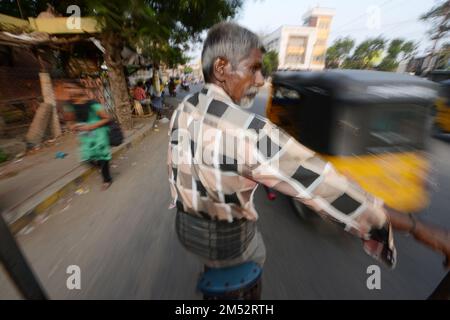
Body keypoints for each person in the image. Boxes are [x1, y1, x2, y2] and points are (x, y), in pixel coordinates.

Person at [167, 22, 450, 290]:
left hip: (184, 228)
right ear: (221, 68)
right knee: (257, 253)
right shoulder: (248, 131)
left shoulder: (185, 107)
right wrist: (418, 228)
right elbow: (331, 191)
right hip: (228, 242)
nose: (260, 80)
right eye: (253, 69)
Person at [63, 81, 113, 190]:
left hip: (99, 133)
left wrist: (91, 126)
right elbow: (69, 120)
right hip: (85, 135)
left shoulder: (92, 104)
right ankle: (102, 167)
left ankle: (107, 179)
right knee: (86, 157)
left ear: (81, 89)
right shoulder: (69, 105)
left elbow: (107, 118)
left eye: (72, 87)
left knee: (102, 155)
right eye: (67, 88)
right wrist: (71, 126)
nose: (70, 90)